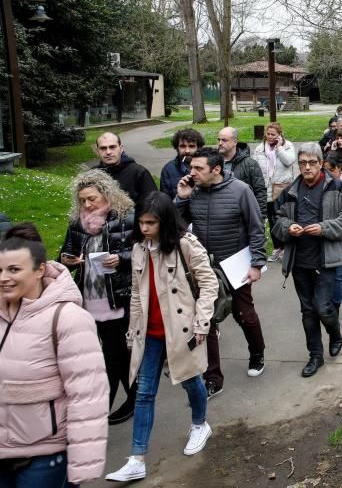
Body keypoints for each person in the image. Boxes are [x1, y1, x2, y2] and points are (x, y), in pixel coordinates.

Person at [104, 193, 218, 482]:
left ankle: (199, 424)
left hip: (181, 330)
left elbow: (208, 283)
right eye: (141, 222)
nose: (144, 228)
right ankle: (137, 458)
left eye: (151, 223)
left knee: (191, 381)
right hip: (150, 333)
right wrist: (133, 330)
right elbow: (135, 292)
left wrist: (202, 322)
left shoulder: (185, 245)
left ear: (164, 221)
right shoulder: (140, 248)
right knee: (144, 393)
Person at [0, 223, 109, 487]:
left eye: (14, 269)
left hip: (44, 455)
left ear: (40, 270)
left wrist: (83, 464)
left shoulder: (68, 319)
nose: (4, 277)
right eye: (0, 269)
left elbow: (88, 395)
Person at [175, 148, 268, 398]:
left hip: (234, 265)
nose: (191, 173)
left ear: (216, 169)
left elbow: (256, 228)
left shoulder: (240, 190)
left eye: (198, 169)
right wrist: (182, 198)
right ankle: (213, 377)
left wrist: (257, 263)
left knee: (244, 315)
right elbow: (176, 225)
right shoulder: (191, 191)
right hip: (203, 268)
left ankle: (257, 353)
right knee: (207, 320)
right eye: (191, 168)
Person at [272, 143, 342, 377]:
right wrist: (289, 227)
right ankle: (315, 355)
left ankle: (335, 332)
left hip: (327, 260)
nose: (307, 167)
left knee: (323, 307)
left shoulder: (337, 187)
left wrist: (323, 228)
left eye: (312, 162)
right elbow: (276, 220)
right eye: (303, 163)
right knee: (307, 311)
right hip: (299, 261)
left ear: (321, 163)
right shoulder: (291, 191)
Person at [59, 169, 136, 425]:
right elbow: (65, 255)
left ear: (106, 194)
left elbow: (143, 253)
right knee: (110, 353)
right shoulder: (76, 223)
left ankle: (128, 401)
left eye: (91, 198)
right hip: (89, 300)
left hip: (117, 298)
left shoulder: (125, 218)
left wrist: (121, 259)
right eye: (82, 200)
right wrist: (67, 260)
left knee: (115, 353)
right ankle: (122, 402)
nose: (87, 204)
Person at [251, 122, 297, 263]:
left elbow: (289, 161)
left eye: (273, 135)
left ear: (279, 135)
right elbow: (255, 167)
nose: (270, 137)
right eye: (268, 134)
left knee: (283, 218)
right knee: (271, 220)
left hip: (282, 188)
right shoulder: (259, 149)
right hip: (266, 189)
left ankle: (287, 247)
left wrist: (279, 148)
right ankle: (277, 248)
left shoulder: (287, 146)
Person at [217, 127, 267, 222]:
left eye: (224, 140)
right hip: (218, 218)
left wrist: (260, 218)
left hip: (243, 218)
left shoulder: (250, 164)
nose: (220, 143)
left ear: (235, 142)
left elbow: (260, 192)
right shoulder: (212, 162)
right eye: (218, 140)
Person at [93, 132, 157, 204]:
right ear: (97, 151)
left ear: (121, 148)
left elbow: (153, 205)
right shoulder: (92, 175)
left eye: (112, 147)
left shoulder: (139, 172)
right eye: (103, 148)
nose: (108, 152)